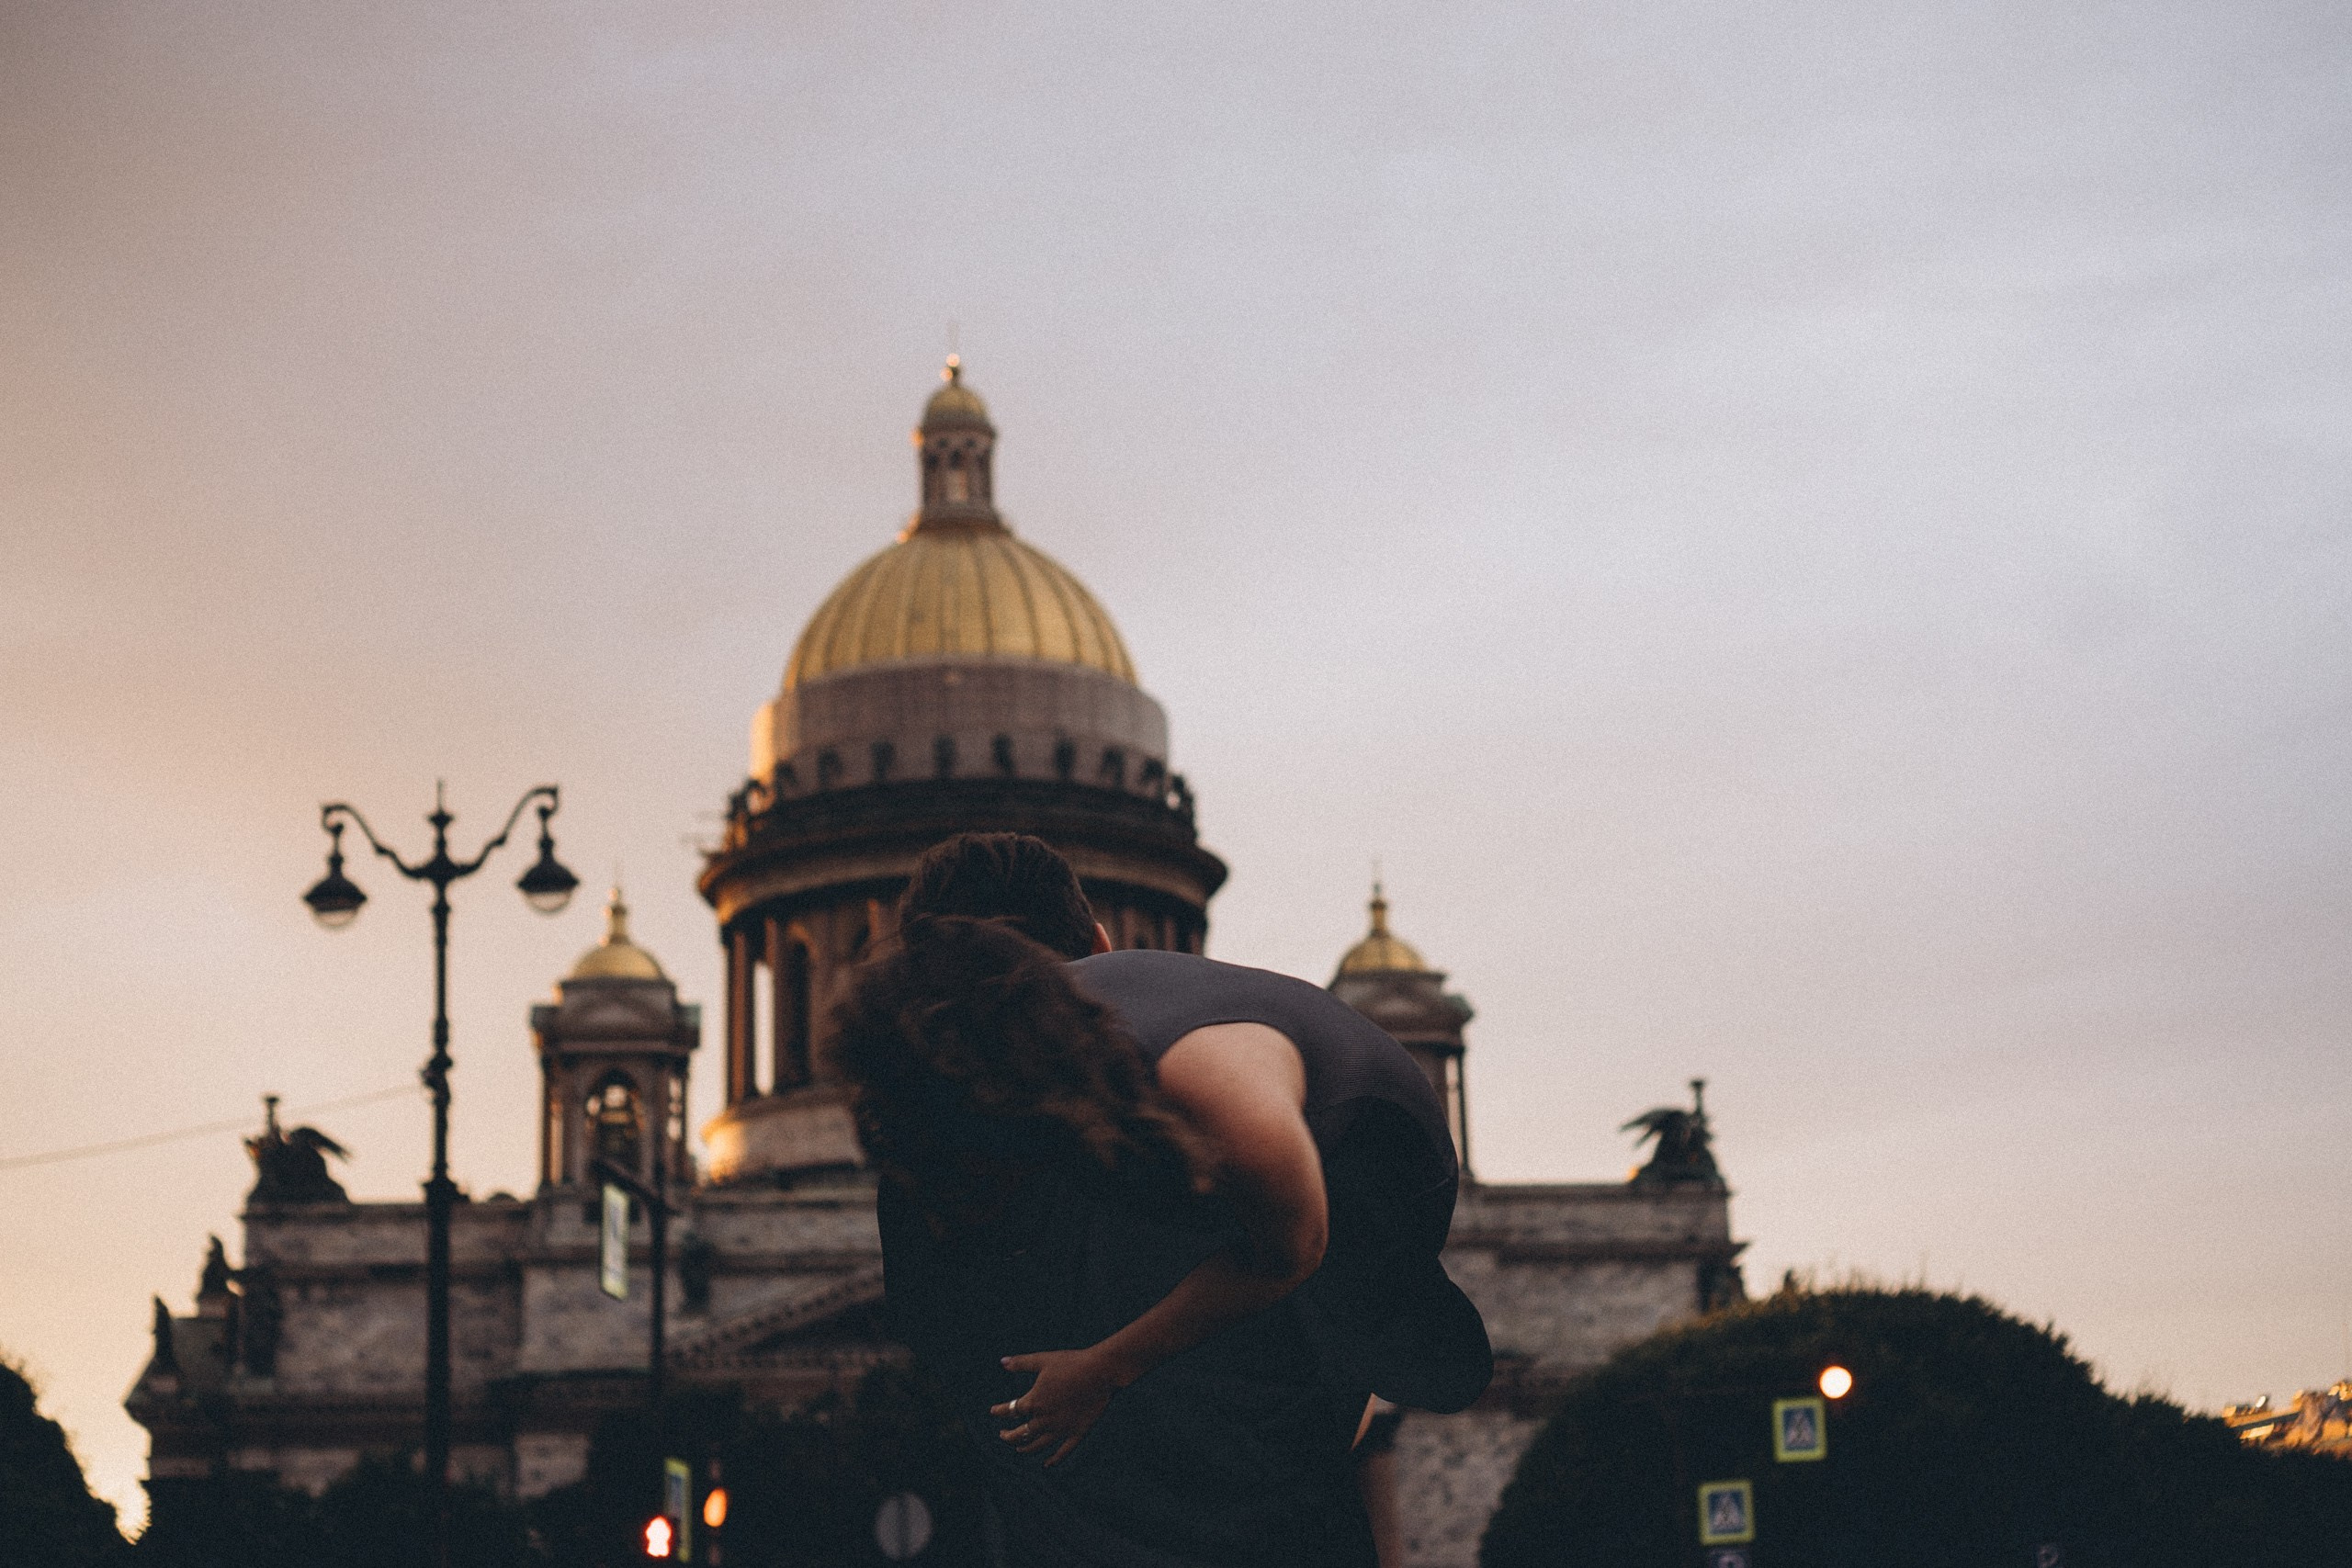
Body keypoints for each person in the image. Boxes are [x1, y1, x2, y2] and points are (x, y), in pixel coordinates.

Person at [838, 833, 1490, 1566]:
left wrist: (1104, 1367)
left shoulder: (1203, 1076)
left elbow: (1294, 1243)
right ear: (1099, 940)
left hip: (1354, 1190)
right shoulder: (1089, 1051)